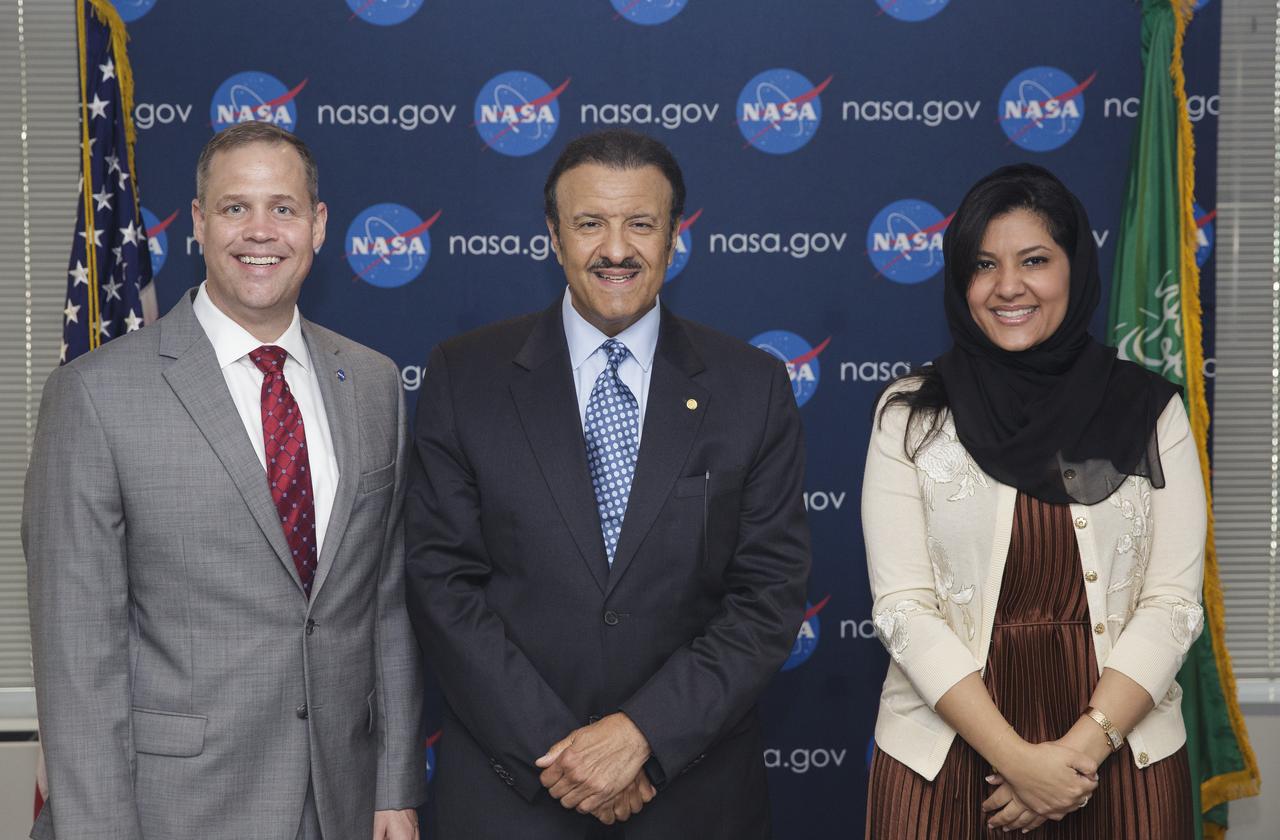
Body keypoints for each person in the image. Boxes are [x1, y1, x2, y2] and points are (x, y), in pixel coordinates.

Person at [405, 129, 811, 839]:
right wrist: (568, 757)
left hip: (691, 794)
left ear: (674, 237)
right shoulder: (465, 377)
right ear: (554, 238)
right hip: (518, 794)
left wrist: (641, 736)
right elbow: (442, 584)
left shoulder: (752, 388)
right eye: (590, 223)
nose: (616, 249)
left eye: (640, 224)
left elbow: (767, 598)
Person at [24, 122, 425, 840]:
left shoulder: (372, 383)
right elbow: (78, 659)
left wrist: (393, 786)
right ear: (201, 225)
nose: (261, 231)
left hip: (340, 804)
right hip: (172, 811)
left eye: (284, 207)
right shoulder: (96, 396)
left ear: (319, 225)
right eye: (236, 208)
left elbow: (384, 606)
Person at [861, 163, 1204, 838]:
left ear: (1073, 268)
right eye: (984, 264)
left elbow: (1173, 603)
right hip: (948, 757)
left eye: (1035, 260)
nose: (1008, 286)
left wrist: (1075, 756)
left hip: (1117, 752)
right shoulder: (909, 413)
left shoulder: (1149, 411)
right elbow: (902, 607)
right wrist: (1018, 761)